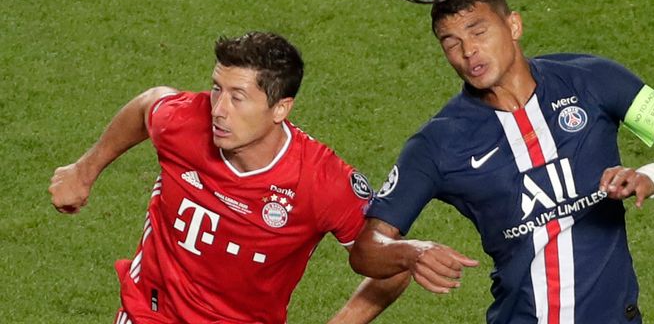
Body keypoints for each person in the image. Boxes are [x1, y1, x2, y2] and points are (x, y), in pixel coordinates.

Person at [349, 0, 654, 323]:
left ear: (513, 25)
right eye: (452, 43)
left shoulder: (591, 79)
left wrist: (652, 175)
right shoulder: (438, 144)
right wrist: (412, 253)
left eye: (478, 32)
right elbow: (367, 247)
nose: (469, 52)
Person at [49, 31, 409, 324]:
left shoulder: (321, 181)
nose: (218, 110)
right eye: (217, 88)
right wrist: (84, 170)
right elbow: (149, 104)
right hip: (150, 312)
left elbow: (394, 265)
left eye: (237, 97)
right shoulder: (186, 122)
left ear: (280, 108)